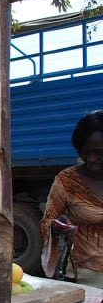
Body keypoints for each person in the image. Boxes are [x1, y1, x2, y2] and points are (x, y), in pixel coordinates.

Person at [40, 110, 103, 289]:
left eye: (98, 153)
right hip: (87, 278)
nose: (91, 159)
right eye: (85, 153)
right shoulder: (67, 181)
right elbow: (47, 221)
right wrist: (57, 227)